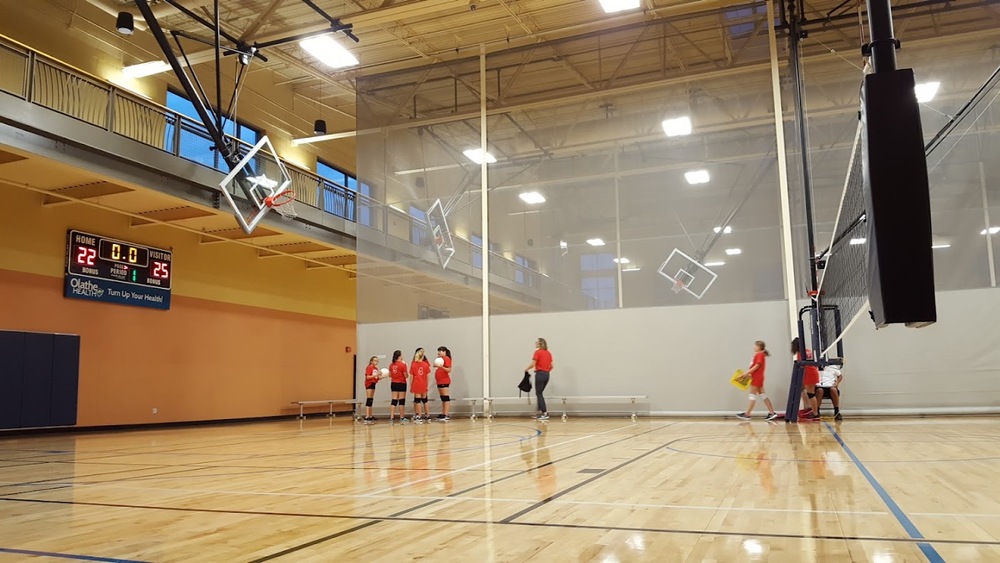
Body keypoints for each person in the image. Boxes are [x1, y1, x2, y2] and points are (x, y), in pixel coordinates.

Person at [736, 341, 778, 421]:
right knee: (763, 395)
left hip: (756, 378)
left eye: (755, 346)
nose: (753, 347)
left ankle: (747, 414)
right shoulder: (760, 355)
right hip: (758, 377)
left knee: (752, 395)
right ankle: (772, 413)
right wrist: (748, 374)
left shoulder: (759, 354)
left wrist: (745, 373)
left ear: (759, 346)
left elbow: (757, 366)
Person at [791, 337, 820, 421]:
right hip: (813, 372)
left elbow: (801, 366)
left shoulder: (801, 354)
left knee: (811, 394)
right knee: (802, 390)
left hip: (809, 374)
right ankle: (809, 409)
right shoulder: (808, 351)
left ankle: (815, 413)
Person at [525, 337, 553, 420]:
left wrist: (526, 368)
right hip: (547, 375)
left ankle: (544, 413)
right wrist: (547, 371)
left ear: (540, 344)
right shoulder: (548, 353)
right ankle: (540, 412)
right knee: (539, 393)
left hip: (540, 374)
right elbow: (552, 366)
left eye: (536, 342)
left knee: (539, 394)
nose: (535, 343)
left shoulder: (537, 352)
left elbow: (533, 364)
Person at [410, 348, 431, 423]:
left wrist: (411, 385)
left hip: (416, 384)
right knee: (425, 400)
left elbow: (411, 376)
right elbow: (428, 376)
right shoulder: (425, 364)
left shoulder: (413, 364)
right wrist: (427, 385)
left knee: (418, 400)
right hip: (423, 384)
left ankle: (419, 416)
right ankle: (428, 416)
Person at [388, 350, 408, 423]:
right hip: (401, 383)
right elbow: (406, 376)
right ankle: (402, 417)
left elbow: (390, 375)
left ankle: (391, 417)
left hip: (393, 383)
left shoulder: (391, 364)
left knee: (394, 400)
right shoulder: (402, 364)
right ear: (400, 356)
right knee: (401, 401)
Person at [434, 346, 452, 421]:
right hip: (439, 381)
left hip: (444, 380)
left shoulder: (447, 359)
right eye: (438, 351)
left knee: (446, 398)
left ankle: (446, 414)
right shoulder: (439, 359)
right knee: (443, 398)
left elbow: (449, 369)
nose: (439, 352)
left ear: (444, 352)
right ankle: (443, 413)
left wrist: (442, 367)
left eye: (440, 351)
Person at [363, 356, 382, 423]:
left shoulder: (375, 368)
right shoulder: (369, 367)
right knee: (369, 399)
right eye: (375, 361)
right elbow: (368, 377)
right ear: (371, 361)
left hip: (374, 383)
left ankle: (370, 416)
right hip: (369, 384)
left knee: (371, 400)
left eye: (377, 361)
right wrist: (376, 374)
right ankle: (367, 416)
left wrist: (381, 376)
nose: (376, 362)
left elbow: (376, 377)